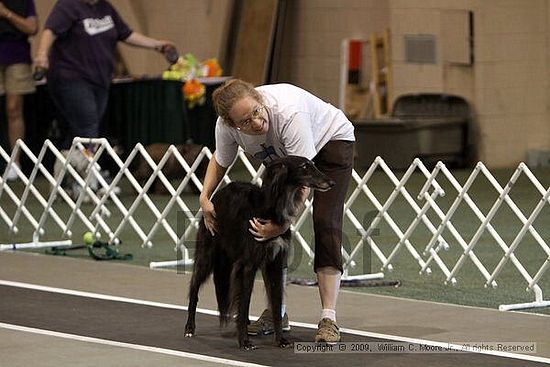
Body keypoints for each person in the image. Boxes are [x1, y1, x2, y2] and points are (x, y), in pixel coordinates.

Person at [201, 78, 355, 343]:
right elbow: (221, 160)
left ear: (260, 101)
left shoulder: (289, 113)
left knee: (324, 221)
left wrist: (284, 225)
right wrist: (205, 198)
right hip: (282, 158)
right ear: (231, 124)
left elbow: (302, 182)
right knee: (264, 220)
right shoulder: (226, 127)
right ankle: (277, 313)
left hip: (331, 143)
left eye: (257, 113)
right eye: (245, 123)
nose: (256, 123)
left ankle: (328, 318)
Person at [33, 0, 174, 157]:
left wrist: (156, 45)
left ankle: (65, 172)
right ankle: (89, 176)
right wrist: (42, 54)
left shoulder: (105, 8)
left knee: (80, 128)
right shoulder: (68, 6)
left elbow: (126, 33)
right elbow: (50, 31)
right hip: (71, 77)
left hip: (100, 79)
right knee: (88, 123)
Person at [0, 0, 38, 180]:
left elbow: (32, 28)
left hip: (16, 55)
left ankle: (15, 161)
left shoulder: (24, 2)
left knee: (13, 107)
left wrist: (6, 13)